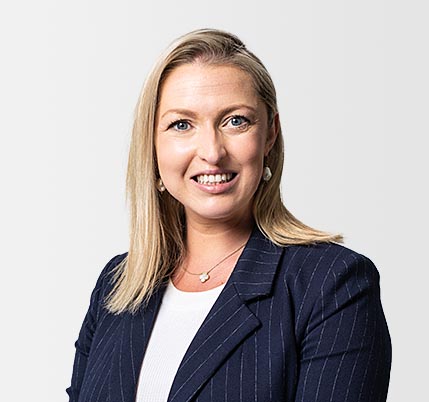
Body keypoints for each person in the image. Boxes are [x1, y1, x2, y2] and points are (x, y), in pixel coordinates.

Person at [66, 29, 391, 402]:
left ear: (270, 134)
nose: (212, 152)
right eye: (182, 124)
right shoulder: (116, 285)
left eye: (235, 121)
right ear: (152, 144)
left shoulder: (331, 284)